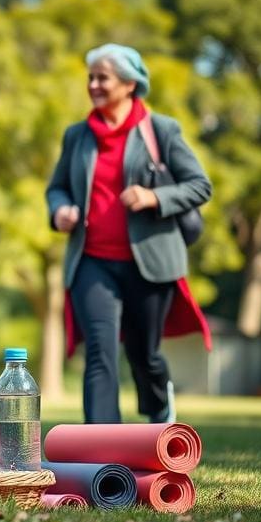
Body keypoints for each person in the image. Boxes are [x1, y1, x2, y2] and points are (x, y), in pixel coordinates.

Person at [46, 43, 212, 424]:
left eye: (102, 77)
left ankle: (159, 411)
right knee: (100, 354)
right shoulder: (78, 136)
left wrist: (153, 196)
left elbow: (199, 185)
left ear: (128, 84)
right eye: (90, 77)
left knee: (144, 353)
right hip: (92, 263)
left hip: (150, 263)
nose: (93, 84)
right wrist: (61, 210)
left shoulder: (161, 130)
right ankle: (103, 449)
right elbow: (57, 187)